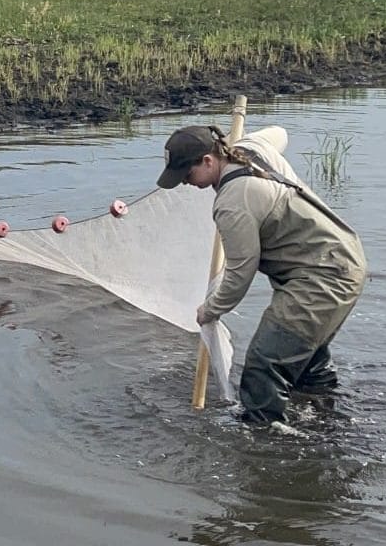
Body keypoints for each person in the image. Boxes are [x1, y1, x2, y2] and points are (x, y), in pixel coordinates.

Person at [156, 123, 368, 427]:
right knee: (305, 362)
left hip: (321, 278)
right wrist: (238, 140)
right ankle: (324, 423)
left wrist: (210, 310)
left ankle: (265, 444)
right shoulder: (251, 149)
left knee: (263, 366)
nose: (185, 183)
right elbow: (279, 133)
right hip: (345, 256)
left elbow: (240, 274)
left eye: (186, 175)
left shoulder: (232, 204)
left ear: (207, 161)